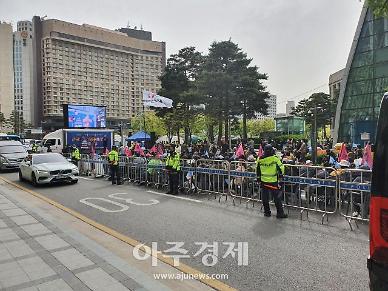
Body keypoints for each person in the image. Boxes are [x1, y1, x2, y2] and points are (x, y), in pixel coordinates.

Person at [256, 144, 288, 218]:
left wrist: (258, 179)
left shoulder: (260, 159)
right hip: (273, 181)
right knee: (277, 198)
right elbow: (281, 169)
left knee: (265, 198)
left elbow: (257, 170)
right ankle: (280, 213)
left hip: (264, 181)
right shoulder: (275, 158)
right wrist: (280, 176)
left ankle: (267, 213)